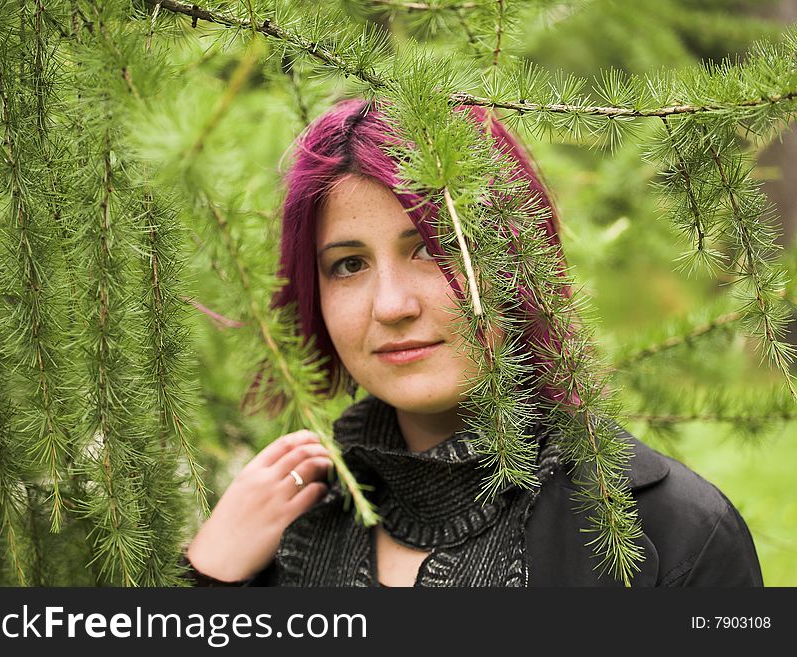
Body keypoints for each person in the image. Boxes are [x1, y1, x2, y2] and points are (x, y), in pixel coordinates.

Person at [184, 98, 763, 587]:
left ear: (515, 260)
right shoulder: (286, 533)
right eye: (348, 264)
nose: (391, 306)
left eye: (434, 249)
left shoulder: (672, 532)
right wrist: (208, 578)